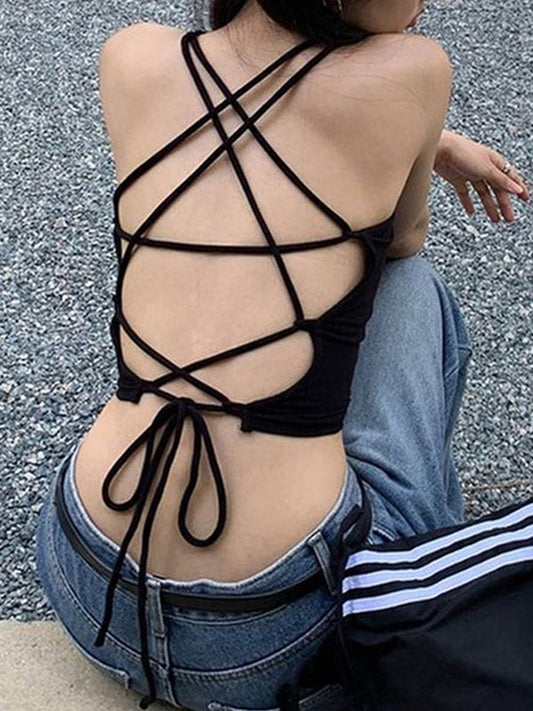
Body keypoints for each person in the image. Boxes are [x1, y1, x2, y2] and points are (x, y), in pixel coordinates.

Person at [35, 1, 530, 710]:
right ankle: (422, 595)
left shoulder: (132, 54)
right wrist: (423, 137)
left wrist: (431, 136)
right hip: (277, 637)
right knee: (411, 286)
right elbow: (402, 238)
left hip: (87, 579)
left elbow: (247, 117)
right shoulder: (414, 69)